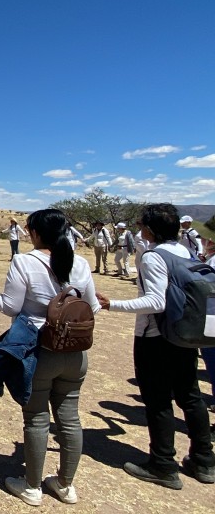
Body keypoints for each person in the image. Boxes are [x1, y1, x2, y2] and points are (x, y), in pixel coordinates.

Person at [0, 209, 99, 506]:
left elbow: (10, 307)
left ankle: (32, 487)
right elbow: (92, 307)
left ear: (36, 234)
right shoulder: (81, 263)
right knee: (70, 419)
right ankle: (65, 484)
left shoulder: (25, 261)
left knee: (36, 419)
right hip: (75, 353)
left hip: (39, 350)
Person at [96, 203, 215, 489]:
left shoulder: (153, 257)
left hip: (156, 337)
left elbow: (155, 301)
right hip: (184, 333)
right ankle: (204, 460)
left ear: (148, 229)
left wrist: (112, 304)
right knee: (190, 395)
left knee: (158, 399)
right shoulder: (184, 251)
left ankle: (162, 465)